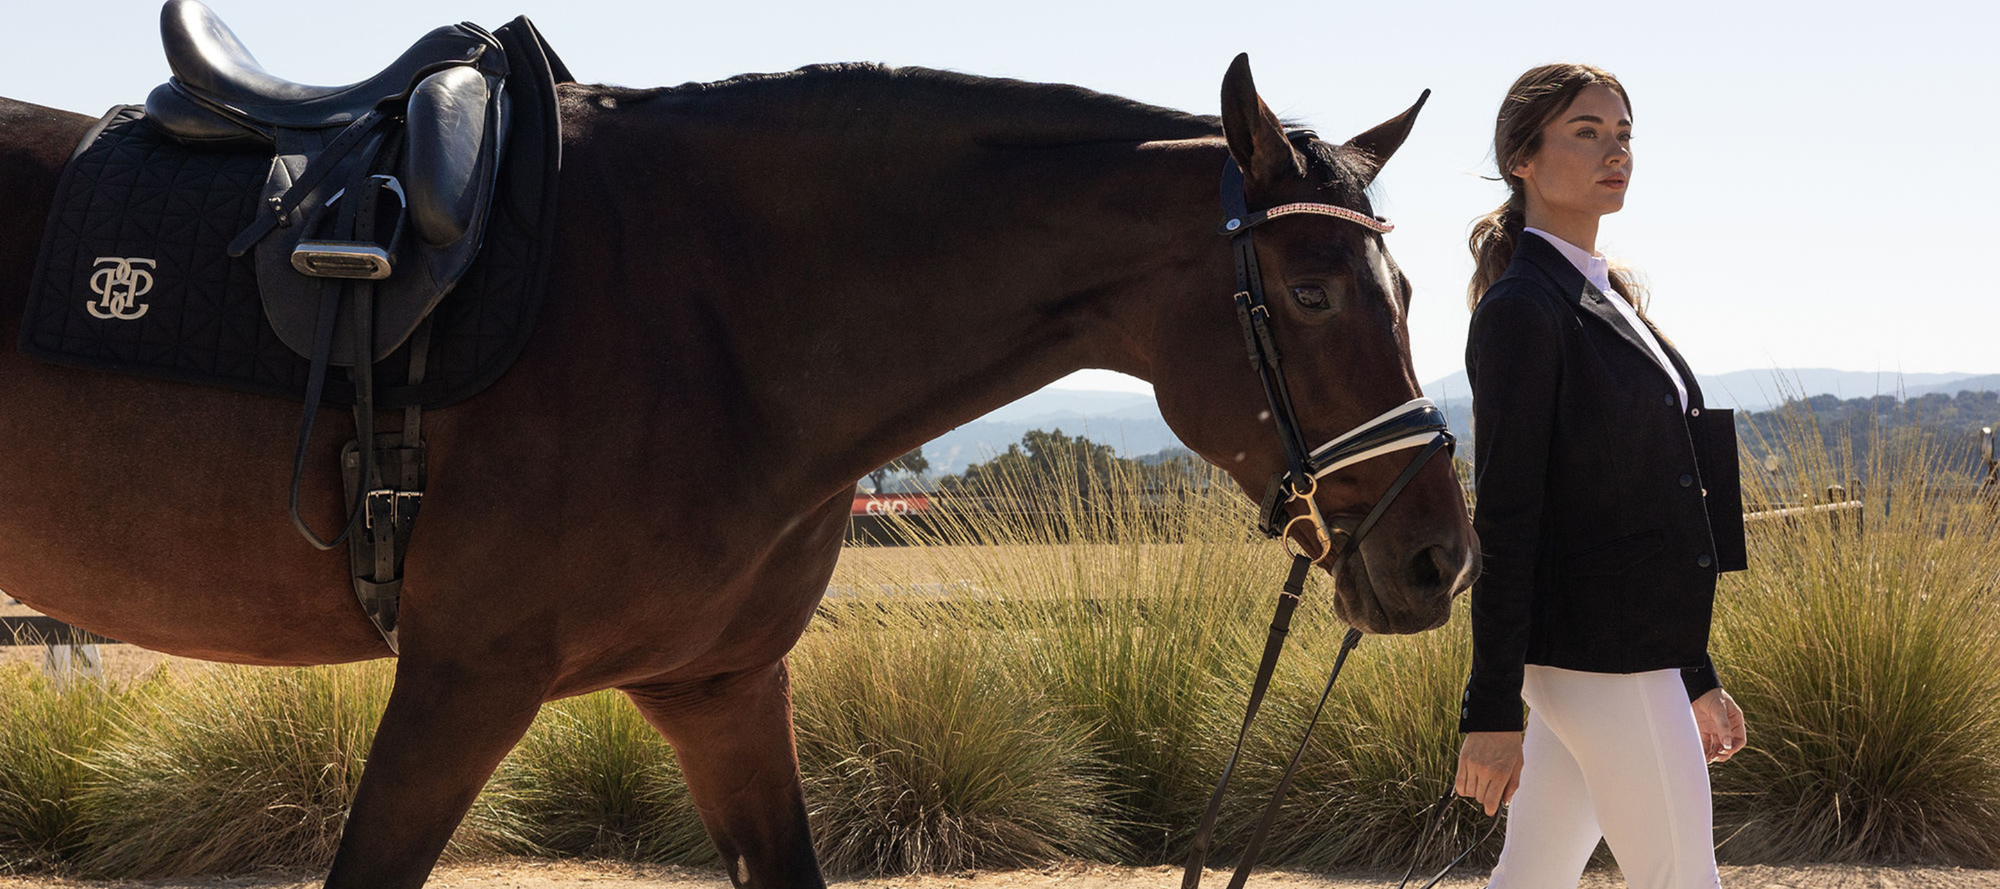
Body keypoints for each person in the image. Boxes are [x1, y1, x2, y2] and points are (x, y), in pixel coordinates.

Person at [1450, 63, 1750, 889]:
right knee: (1683, 878)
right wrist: (1490, 711)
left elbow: (1642, 505)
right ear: (1523, 158)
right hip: (1599, 655)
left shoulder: (1605, 293)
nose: (1614, 152)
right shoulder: (1522, 309)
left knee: (1534, 874)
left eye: (1622, 135)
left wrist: (1695, 672)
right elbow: (1508, 519)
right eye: (1586, 133)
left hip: (1618, 649)